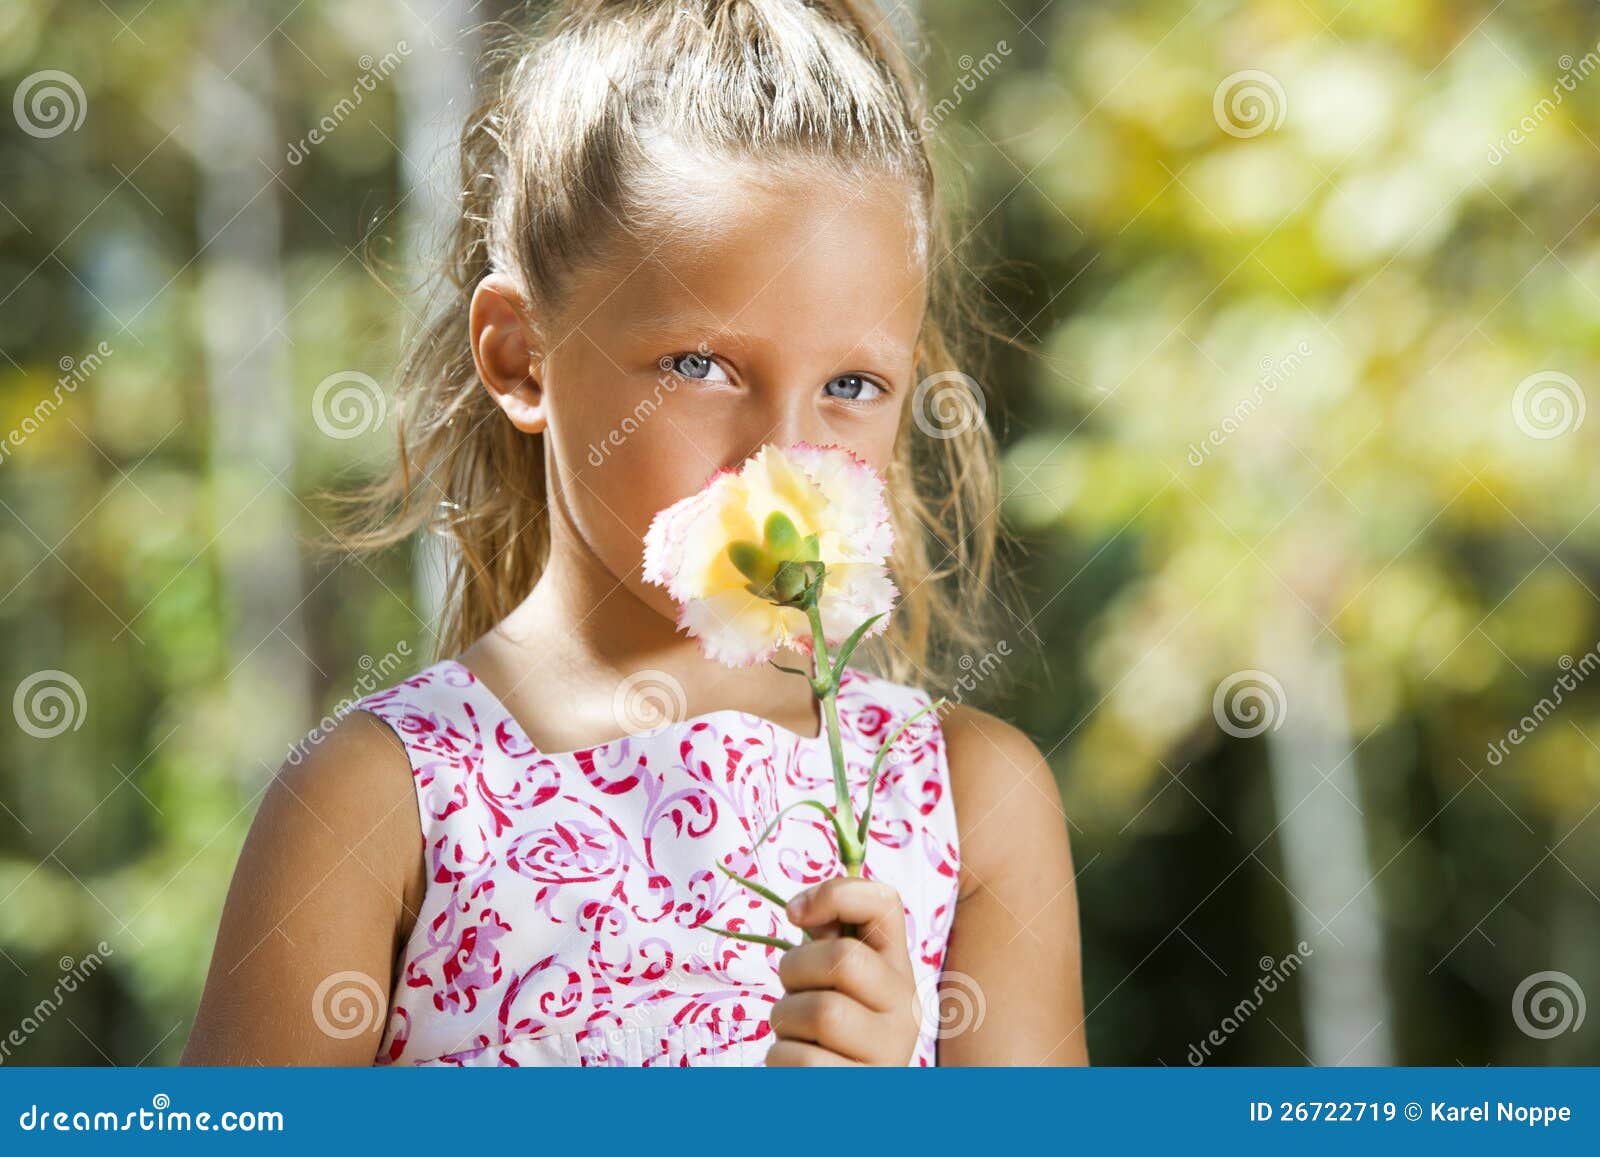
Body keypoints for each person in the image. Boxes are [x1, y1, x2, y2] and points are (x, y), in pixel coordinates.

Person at [182, 0, 1085, 1067]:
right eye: (699, 366)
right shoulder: (374, 803)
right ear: (520, 357)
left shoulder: (968, 802)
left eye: (851, 384)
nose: (780, 459)